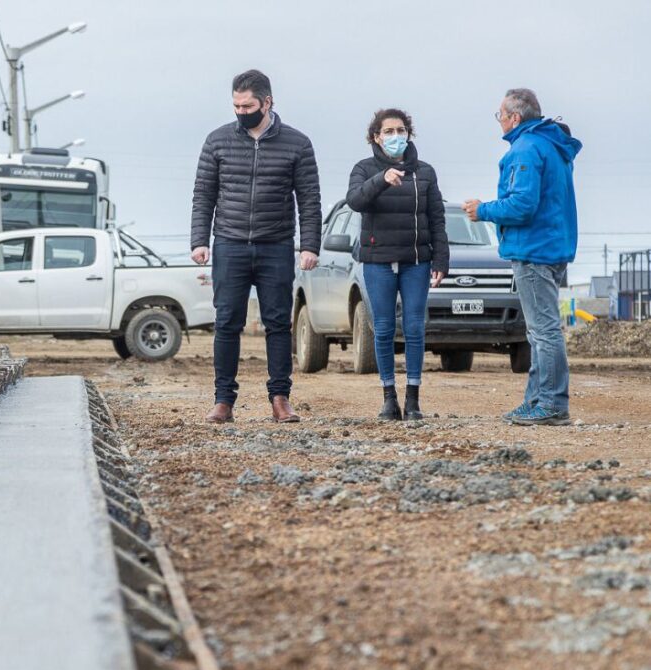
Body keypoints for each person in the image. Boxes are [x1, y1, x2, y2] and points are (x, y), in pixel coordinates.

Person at [190, 69, 322, 424]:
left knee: (278, 324)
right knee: (227, 323)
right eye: (235, 105)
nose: (240, 111)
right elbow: (204, 193)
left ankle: (280, 399)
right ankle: (223, 401)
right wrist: (199, 240)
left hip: (276, 245)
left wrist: (310, 245)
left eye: (247, 105)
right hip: (229, 244)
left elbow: (309, 199)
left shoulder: (297, 143)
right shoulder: (217, 141)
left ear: (267, 102)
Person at [463, 89, 582, 426]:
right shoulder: (550, 145)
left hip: (533, 250)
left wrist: (482, 210)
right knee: (539, 332)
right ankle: (535, 400)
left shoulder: (526, 149)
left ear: (514, 117)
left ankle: (553, 404)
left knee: (544, 331)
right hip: (553, 246)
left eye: (499, 114)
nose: (498, 120)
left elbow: (522, 204)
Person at [346, 108, 449, 421]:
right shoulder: (364, 169)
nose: (395, 136)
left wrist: (441, 258)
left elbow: (437, 218)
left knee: (415, 326)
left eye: (400, 130)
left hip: (416, 260)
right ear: (376, 137)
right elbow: (355, 200)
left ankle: (413, 399)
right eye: (388, 131)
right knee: (384, 328)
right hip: (377, 261)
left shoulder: (426, 172)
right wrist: (381, 180)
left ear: (409, 134)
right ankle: (388, 397)